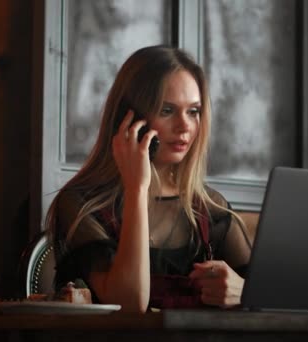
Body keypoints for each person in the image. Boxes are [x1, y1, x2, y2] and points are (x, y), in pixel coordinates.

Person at [46, 45, 252, 313]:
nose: (185, 126)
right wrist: (136, 188)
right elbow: (129, 304)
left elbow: (283, 302)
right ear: (128, 119)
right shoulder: (81, 205)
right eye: (167, 110)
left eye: (193, 111)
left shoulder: (210, 209)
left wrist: (244, 291)